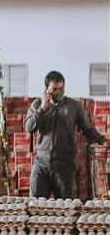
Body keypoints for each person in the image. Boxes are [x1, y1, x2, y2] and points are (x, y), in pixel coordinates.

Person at [24, 70, 105, 199]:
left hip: (64, 165)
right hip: (41, 163)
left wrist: (102, 140)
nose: (59, 92)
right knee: (35, 205)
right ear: (47, 90)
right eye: (55, 89)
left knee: (64, 207)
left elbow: (87, 129)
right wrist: (42, 108)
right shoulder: (37, 105)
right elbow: (29, 127)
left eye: (62, 88)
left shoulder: (74, 106)